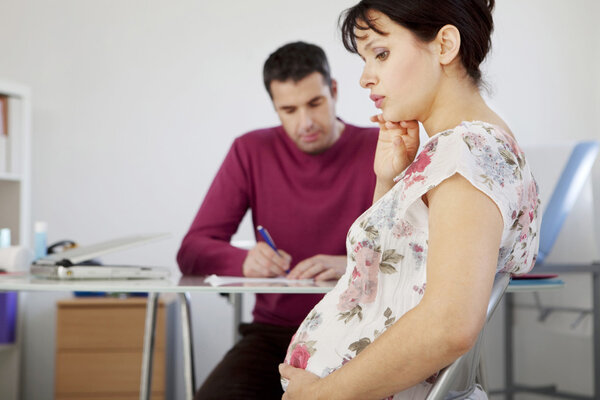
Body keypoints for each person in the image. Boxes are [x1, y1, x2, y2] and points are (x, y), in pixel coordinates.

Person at [279, 1, 540, 399]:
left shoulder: (467, 151)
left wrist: (320, 395)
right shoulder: (455, 152)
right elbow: (388, 283)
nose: (366, 79)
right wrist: (388, 179)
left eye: (381, 54)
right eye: (365, 60)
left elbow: (448, 324)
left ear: (445, 46)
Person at [177, 41, 379, 399]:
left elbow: (418, 250)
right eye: (289, 109)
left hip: (359, 333)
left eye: (315, 103)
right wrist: (244, 260)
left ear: (333, 91)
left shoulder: (380, 146)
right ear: (275, 108)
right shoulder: (250, 151)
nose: (306, 122)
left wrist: (353, 263)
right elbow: (192, 250)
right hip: (274, 336)